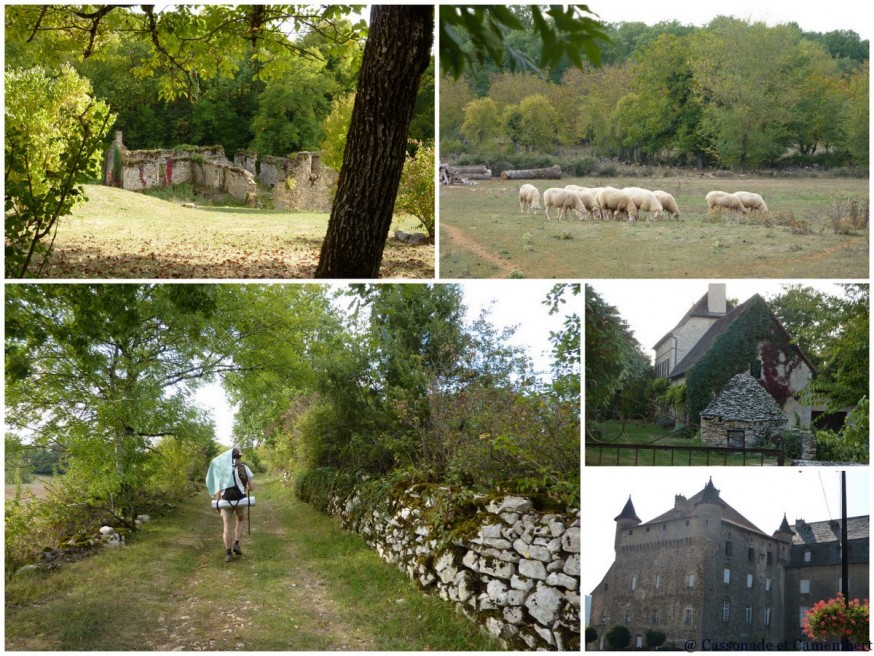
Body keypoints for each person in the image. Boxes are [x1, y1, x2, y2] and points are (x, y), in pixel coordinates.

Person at [205, 446, 254, 562]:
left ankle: (228, 553)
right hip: (240, 499)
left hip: (226, 500)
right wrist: (245, 485)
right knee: (240, 520)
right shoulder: (245, 468)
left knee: (227, 526)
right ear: (240, 456)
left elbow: (218, 488)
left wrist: (217, 502)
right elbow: (251, 488)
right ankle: (236, 543)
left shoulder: (222, 469)